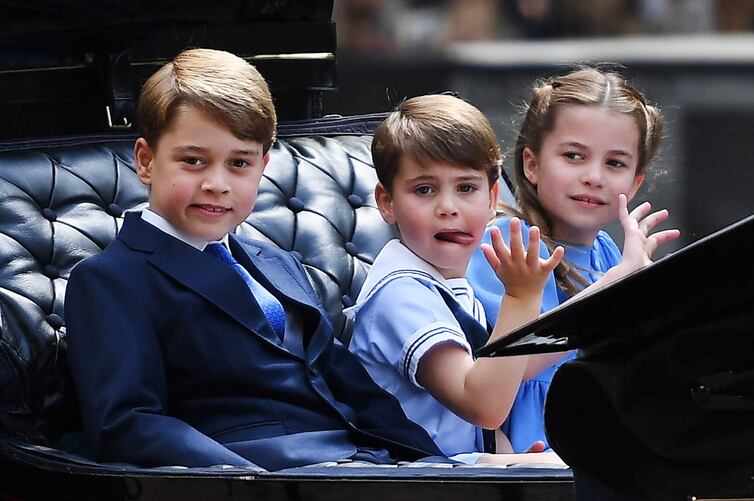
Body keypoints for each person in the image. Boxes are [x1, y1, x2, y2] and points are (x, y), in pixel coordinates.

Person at [64, 48, 446, 471]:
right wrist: (253, 481)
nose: (216, 184)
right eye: (193, 161)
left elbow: (358, 390)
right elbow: (128, 423)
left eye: (239, 164)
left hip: (365, 464)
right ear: (146, 161)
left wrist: (450, 471)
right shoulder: (111, 279)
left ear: (263, 166)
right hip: (262, 474)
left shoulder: (278, 263)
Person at [466, 67, 680, 453]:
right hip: (530, 456)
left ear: (634, 182)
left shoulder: (607, 252)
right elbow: (514, 370)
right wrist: (616, 284)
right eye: (573, 156)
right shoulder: (505, 242)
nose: (593, 177)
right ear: (531, 164)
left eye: (615, 163)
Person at [346, 94, 566, 465]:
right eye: (424, 189)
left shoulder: (446, 285)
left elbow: (514, 370)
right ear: (386, 202)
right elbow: (483, 405)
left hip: (459, 470)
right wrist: (521, 298)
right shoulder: (400, 294)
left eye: (466, 188)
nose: (448, 207)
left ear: (492, 197)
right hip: (412, 479)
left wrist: (611, 290)